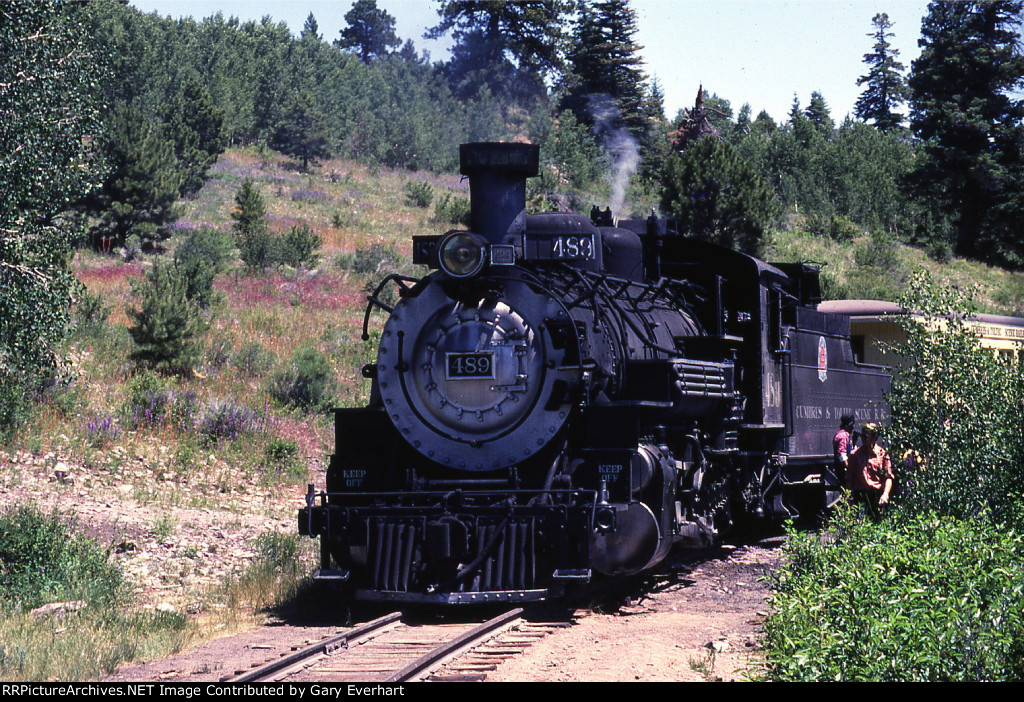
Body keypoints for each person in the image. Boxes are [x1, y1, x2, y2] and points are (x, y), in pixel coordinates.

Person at [845, 423, 894, 518]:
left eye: (866, 436)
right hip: (860, 496)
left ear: (874, 437)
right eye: (862, 436)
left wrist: (885, 494)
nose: (863, 439)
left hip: (876, 495)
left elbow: (888, 477)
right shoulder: (855, 455)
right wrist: (848, 499)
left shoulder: (882, 454)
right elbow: (849, 478)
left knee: (877, 523)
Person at [833, 414, 855, 483]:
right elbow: (841, 454)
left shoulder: (839, 434)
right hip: (842, 470)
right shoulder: (843, 436)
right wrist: (849, 469)